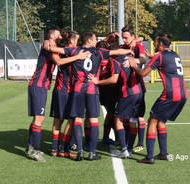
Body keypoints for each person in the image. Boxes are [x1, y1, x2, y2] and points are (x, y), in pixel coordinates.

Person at [48, 31, 133, 161]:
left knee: (77, 119)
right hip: (92, 90)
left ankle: (80, 151)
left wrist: (47, 44)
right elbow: (117, 52)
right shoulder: (98, 52)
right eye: (94, 39)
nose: (95, 41)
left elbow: (53, 49)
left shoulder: (74, 50)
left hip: (77, 89)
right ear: (89, 41)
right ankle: (92, 152)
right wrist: (129, 53)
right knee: (93, 120)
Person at [25, 28, 89, 162]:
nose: (61, 36)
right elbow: (58, 61)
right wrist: (77, 57)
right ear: (52, 36)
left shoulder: (57, 47)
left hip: (42, 85)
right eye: (58, 35)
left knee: (40, 119)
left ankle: (30, 147)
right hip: (39, 85)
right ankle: (35, 151)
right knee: (40, 119)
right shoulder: (49, 46)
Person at [128, 33, 188, 164]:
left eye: (155, 42)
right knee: (161, 121)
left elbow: (143, 73)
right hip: (183, 94)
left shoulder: (159, 56)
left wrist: (133, 65)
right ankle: (163, 153)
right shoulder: (174, 54)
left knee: (152, 120)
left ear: (160, 43)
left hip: (170, 94)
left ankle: (149, 157)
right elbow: (166, 65)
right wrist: (152, 57)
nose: (154, 44)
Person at [121, 25, 147, 153]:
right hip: (129, 87)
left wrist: (133, 60)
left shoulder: (138, 46)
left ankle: (140, 143)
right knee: (129, 117)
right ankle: (128, 143)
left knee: (139, 116)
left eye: (126, 38)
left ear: (132, 37)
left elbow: (143, 59)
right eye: (123, 38)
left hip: (138, 86)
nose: (124, 40)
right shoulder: (125, 47)